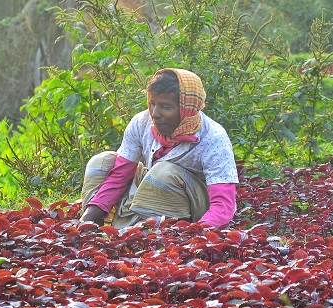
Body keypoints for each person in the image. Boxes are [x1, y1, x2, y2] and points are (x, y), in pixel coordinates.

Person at [79, 68, 239, 228]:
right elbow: (119, 175)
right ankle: (96, 228)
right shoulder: (142, 122)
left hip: (195, 209)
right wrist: (87, 219)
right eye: (152, 104)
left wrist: (195, 234)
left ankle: (151, 232)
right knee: (101, 162)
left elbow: (223, 205)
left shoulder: (214, 138)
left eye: (165, 107)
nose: (155, 113)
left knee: (163, 172)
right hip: (155, 193)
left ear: (187, 108)